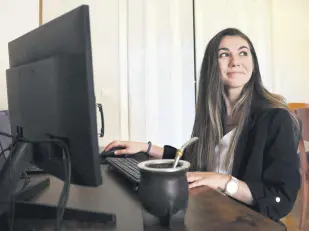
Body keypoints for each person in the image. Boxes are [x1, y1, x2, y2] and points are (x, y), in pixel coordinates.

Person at [104, 28, 301, 222]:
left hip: (247, 223)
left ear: (253, 63)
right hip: (211, 215)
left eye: (243, 53)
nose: (236, 62)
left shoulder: (275, 118)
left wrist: (224, 182)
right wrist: (146, 148)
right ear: (211, 66)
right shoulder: (213, 116)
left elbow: (280, 199)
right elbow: (197, 163)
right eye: (225, 55)